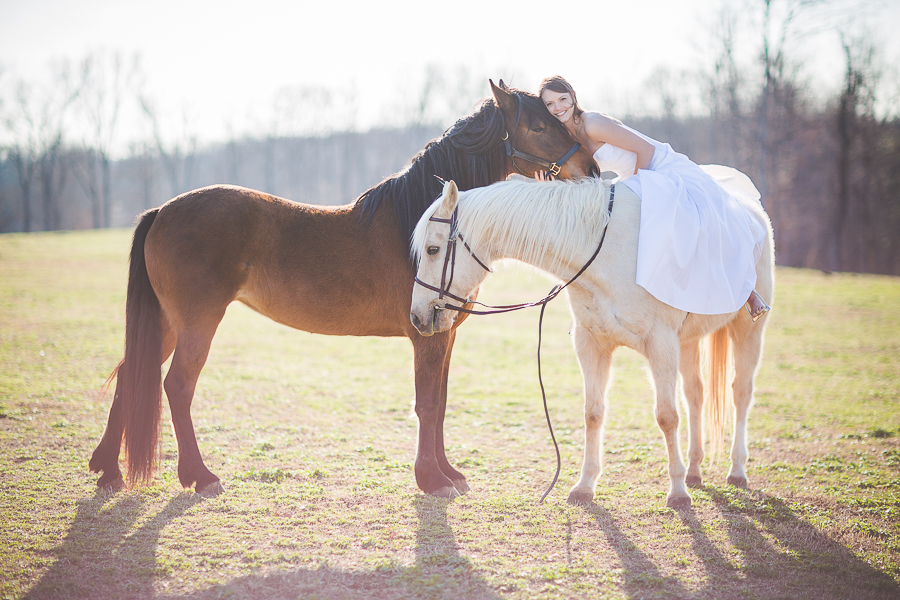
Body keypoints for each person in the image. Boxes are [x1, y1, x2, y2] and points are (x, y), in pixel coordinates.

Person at [535, 75, 770, 321]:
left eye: (562, 99)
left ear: (573, 96)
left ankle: (745, 290)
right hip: (633, 176)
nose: (558, 107)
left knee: (691, 223)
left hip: (659, 167)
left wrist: (638, 186)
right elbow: (583, 180)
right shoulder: (566, 138)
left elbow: (645, 149)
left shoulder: (592, 124)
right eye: (550, 104)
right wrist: (551, 185)